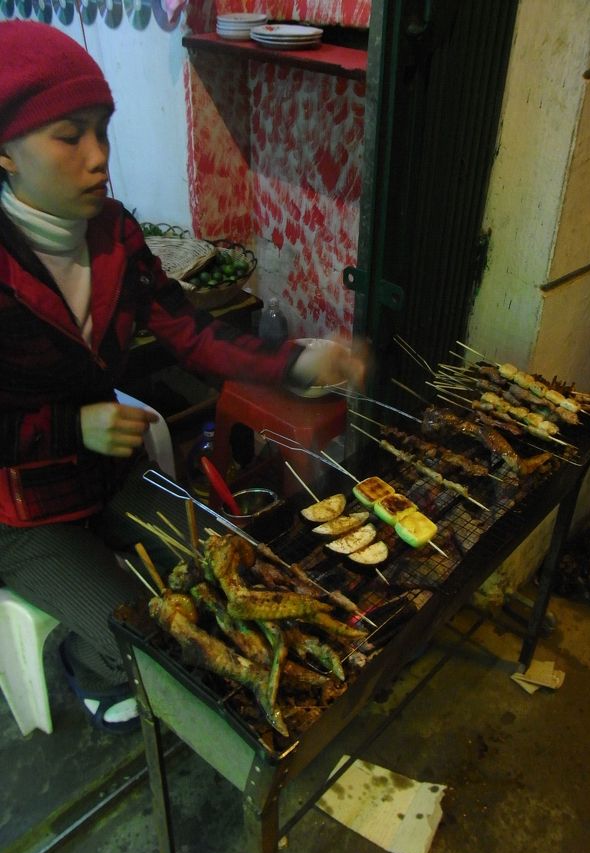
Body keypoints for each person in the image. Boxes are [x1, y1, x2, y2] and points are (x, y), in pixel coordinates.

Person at [0, 21, 367, 734]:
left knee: (237, 574)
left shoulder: (114, 233)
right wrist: (72, 425)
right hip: (20, 510)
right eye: (69, 137)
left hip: (107, 475)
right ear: (5, 153)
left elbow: (190, 332)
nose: (99, 158)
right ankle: (87, 665)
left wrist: (294, 362)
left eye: (104, 132)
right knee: (146, 638)